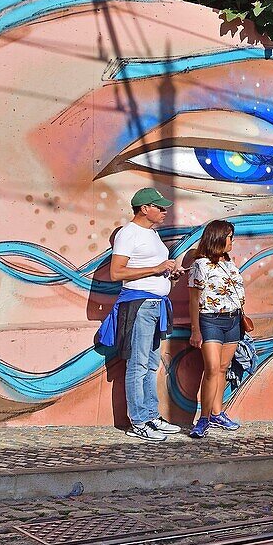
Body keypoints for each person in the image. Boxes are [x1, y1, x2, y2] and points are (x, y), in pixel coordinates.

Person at [108, 187, 184, 442]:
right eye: (159, 207)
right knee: (138, 364)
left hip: (157, 305)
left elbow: (153, 269)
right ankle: (138, 420)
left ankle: (151, 415)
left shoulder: (152, 234)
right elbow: (116, 273)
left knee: (151, 364)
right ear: (144, 208)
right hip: (139, 305)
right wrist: (156, 268)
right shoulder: (128, 234)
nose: (164, 211)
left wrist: (169, 273)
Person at [187, 220, 245, 438]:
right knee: (211, 368)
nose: (232, 241)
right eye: (230, 236)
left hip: (233, 321)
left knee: (222, 368)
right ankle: (203, 418)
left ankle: (217, 413)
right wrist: (195, 330)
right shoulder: (200, 265)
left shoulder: (230, 263)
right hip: (210, 320)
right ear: (218, 237)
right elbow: (194, 300)